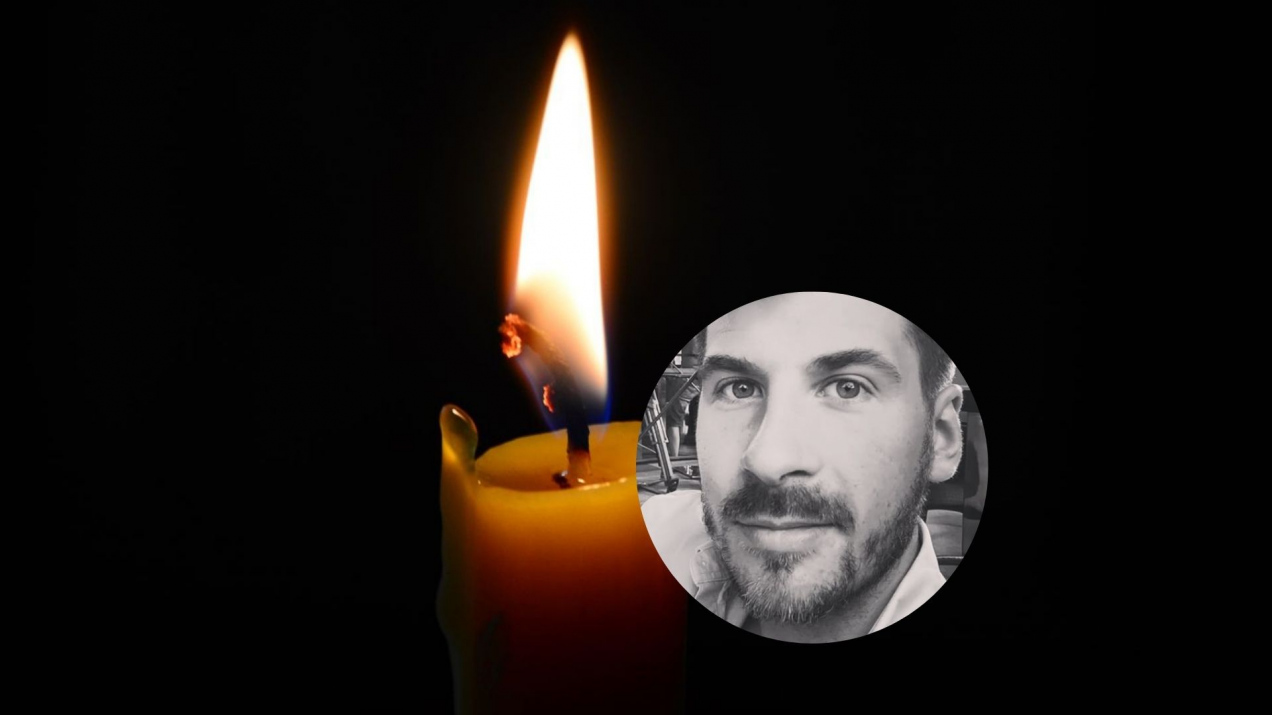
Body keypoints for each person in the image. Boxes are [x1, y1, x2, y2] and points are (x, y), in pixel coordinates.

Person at [640, 292, 964, 642]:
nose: (769, 460)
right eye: (740, 388)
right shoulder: (652, 535)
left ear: (940, 436)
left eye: (848, 388)